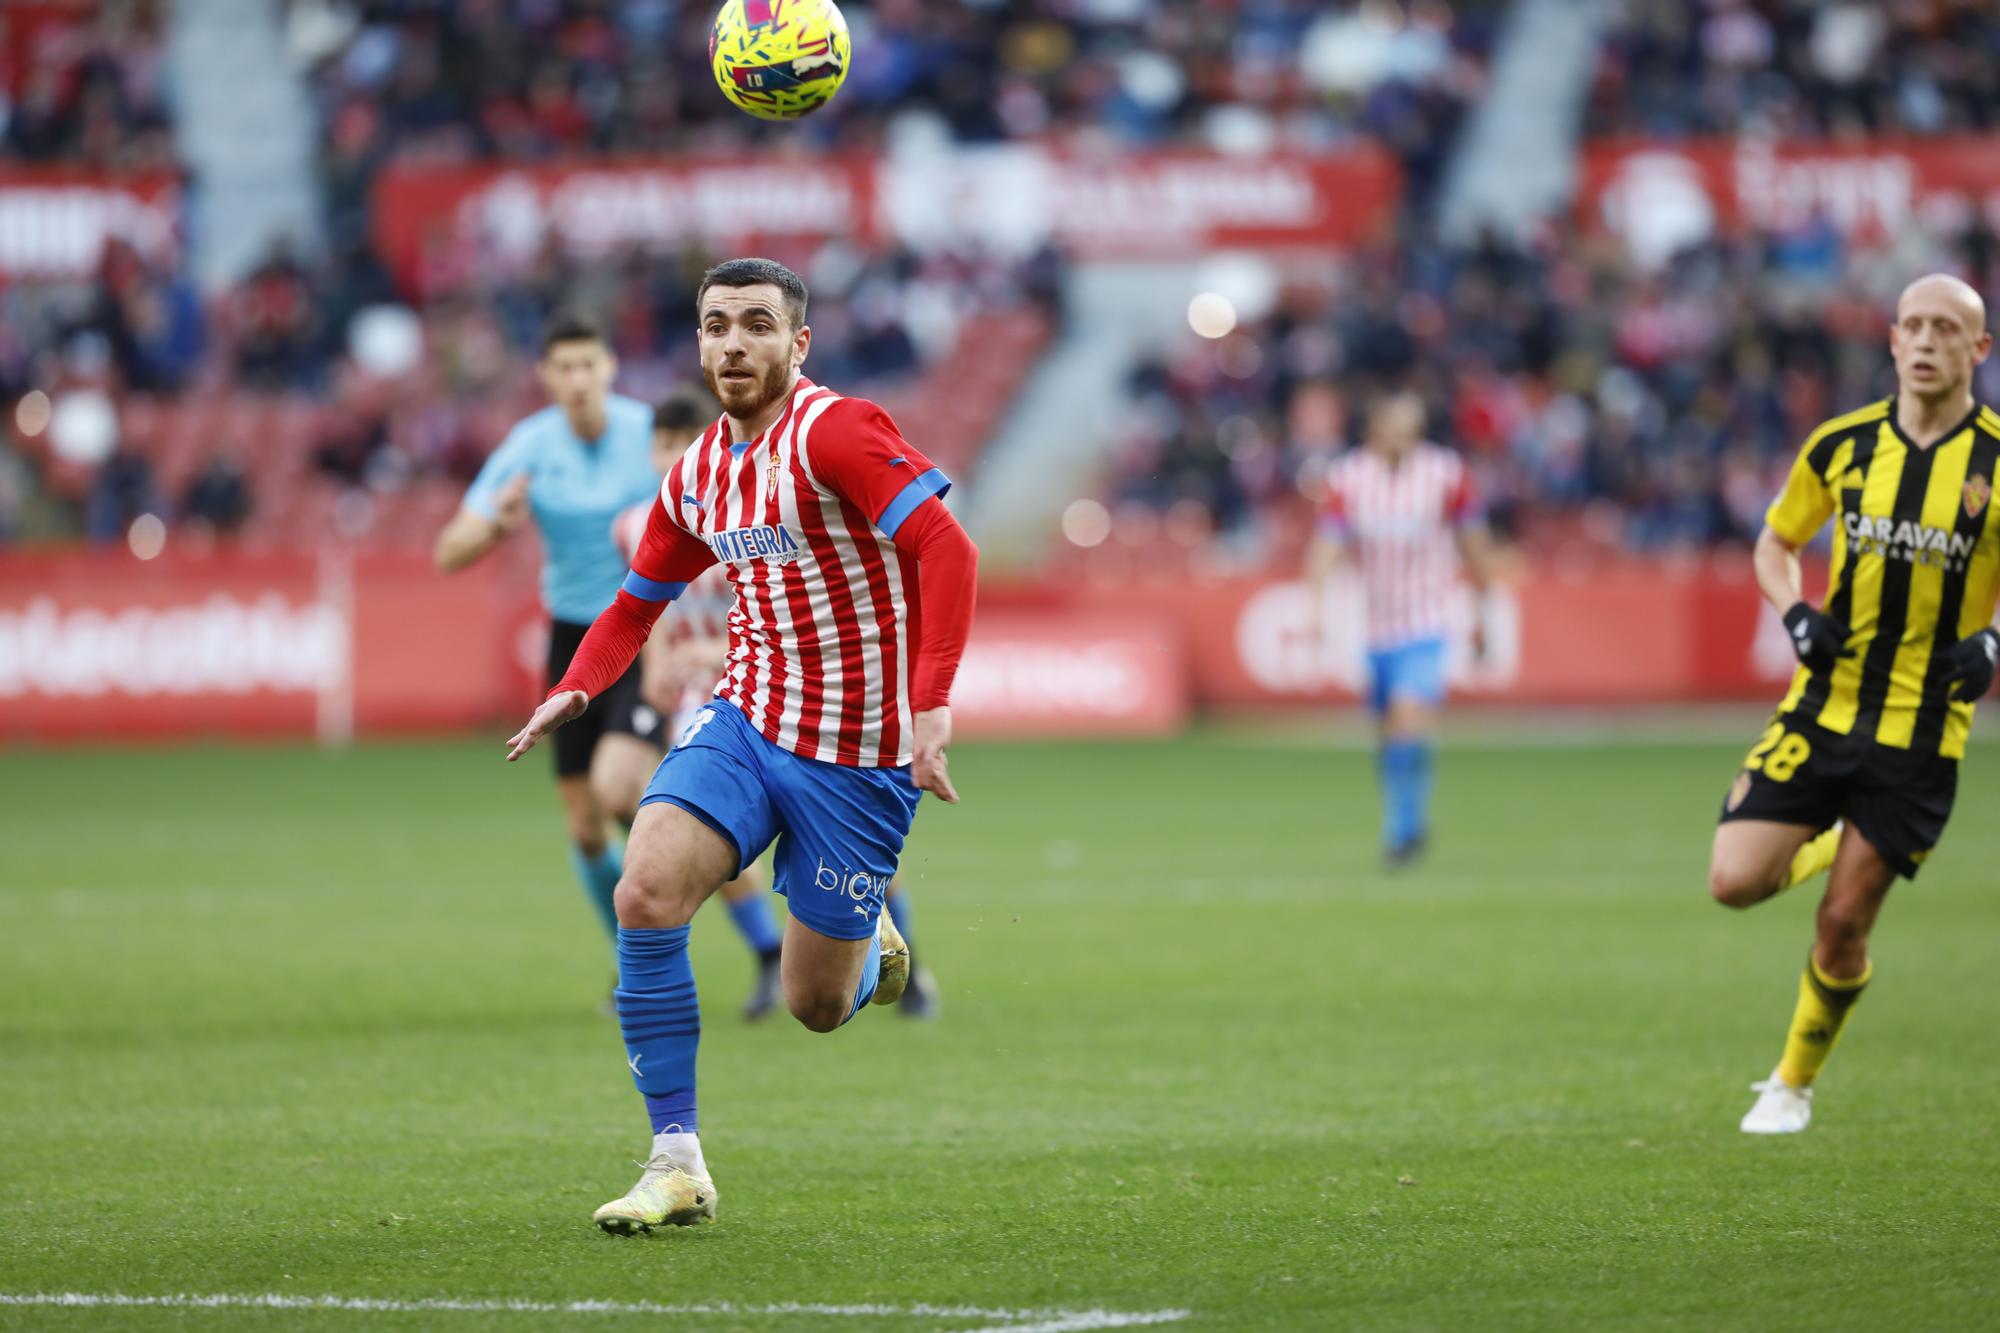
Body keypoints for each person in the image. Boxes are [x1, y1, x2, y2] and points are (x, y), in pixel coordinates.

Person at [504, 258, 977, 1232]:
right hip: (747, 718)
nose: (732, 343)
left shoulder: (837, 431)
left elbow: (947, 547)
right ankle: (674, 1159)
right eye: (716, 324)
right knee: (645, 887)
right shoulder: (698, 472)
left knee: (812, 1003)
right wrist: (574, 689)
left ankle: (868, 940)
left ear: (796, 344)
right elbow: (635, 602)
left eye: (756, 324)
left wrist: (929, 706)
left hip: (855, 756)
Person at [1708, 273, 2000, 1134]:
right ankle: (1832, 833)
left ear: (1977, 351)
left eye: (1946, 329)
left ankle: (1791, 1083)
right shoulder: (1842, 445)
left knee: (1841, 923)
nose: (1924, 341)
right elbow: (1775, 541)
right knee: (1732, 881)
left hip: (1921, 730)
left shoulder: (1995, 460)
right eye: (1912, 325)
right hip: (1823, 706)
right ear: (1891, 339)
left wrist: (1993, 641)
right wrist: (1795, 610)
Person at [613, 390, 944, 1021]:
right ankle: (768, 952)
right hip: (719, 705)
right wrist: (657, 664)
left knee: (848, 859)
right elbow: (647, 602)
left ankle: (886, 940)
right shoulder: (642, 523)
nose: (671, 456)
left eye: (681, 442)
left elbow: (780, 600)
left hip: (808, 699)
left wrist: (717, 648)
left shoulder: (752, 502)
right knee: (697, 841)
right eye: (660, 445)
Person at [434, 315, 665, 963]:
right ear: (546, 378)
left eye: (588, 364)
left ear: (609, 368)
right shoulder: (529, 446)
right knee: (586, 827)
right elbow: (450, 550)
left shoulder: (650, 434)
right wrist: (495, 528)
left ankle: (756, 935)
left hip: (645, 632)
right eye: (564, 368)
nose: (578, 380)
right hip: (571, 638)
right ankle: (637, 964)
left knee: (634, 798)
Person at [1304, 391, 1495, 866]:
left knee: (1408, 718)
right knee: (1389, 733)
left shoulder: (1446, 474)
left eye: (1410, 428)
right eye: (1393, 426)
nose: (1402, 437)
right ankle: (1408, 816)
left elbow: (1474, 545)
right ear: (1374, 429)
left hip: (1427, 621)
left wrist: (1481, 612)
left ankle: (1402, 829)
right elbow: (1328, 543)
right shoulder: (1348, 478)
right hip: (1376, 628)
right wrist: (1317, 605)